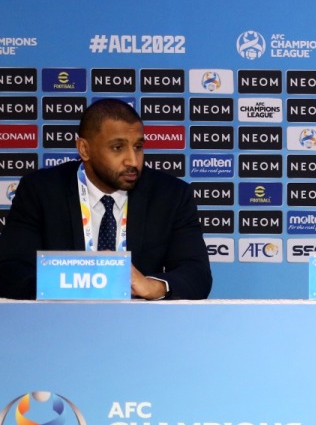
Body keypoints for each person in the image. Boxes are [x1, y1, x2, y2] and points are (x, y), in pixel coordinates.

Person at [0, 98, 211, 300]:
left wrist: (151, 286)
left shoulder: (171, 195)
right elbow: (10, 271)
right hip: (59, 324)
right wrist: (76, 283)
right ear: (84, 149)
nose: (133, 160)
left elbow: (197, 274)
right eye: (117, 148)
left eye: (138, 147)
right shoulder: (41, 191)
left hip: (141, 326)